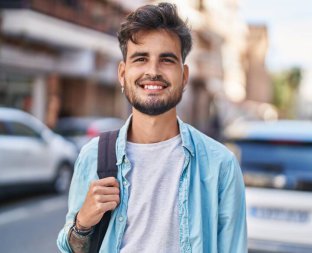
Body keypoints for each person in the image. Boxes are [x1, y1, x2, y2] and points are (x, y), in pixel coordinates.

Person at [57, 2, 247, 253]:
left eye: (167, 60)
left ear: (184, 75)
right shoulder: (93, 155)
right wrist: (82, 223)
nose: (153, 71)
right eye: (141, 58)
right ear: (123, 74)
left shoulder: (220, 165)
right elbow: (70, 249)